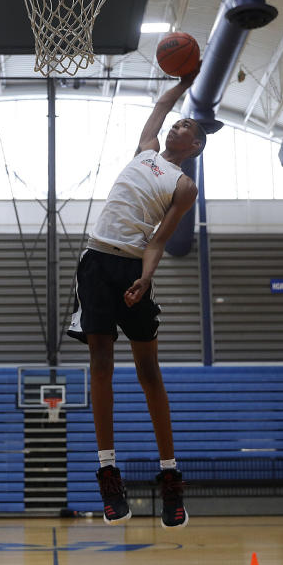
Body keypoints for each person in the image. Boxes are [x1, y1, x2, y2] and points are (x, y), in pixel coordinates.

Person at [68, 73, 203, 529]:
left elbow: (158, 240)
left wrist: (146, 279)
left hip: (131, 269)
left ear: (196, 146)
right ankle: (108, 473)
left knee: (149, 371)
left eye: (187, 126)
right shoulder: (146, 148)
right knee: (100, 363)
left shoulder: (184, 186)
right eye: (177, 122)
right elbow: (164, 103)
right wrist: (185, 80)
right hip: (95, 261)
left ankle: (170, 478)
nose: (177, 125)